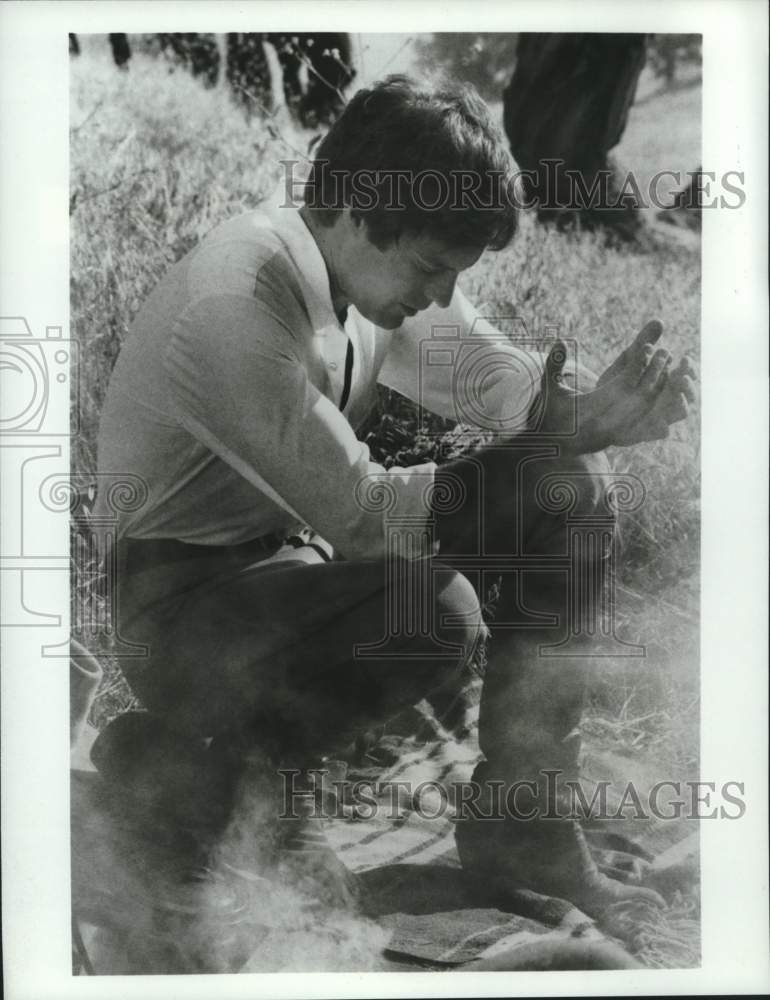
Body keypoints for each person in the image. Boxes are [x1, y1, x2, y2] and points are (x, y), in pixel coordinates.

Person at [91, 75, 696, 922]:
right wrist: (571, 433)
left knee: (569, 486)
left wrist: (608, 407)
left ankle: (526, 821)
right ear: (359, 208)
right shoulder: (233, 302)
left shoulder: (362, 266)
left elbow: (511, 388)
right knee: (435, 610)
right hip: (175, 613)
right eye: (431, 268)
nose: (442, 294)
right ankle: (206, 775)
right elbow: (368, 520)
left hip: (279, 586)